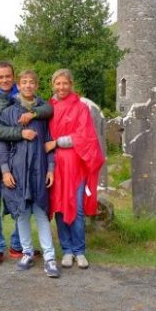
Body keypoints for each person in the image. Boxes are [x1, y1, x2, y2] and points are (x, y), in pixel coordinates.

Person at [0, 61, 53, 267]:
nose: (4, 80)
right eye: (0, 77)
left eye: (7, 76)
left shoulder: (21, 98)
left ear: (14, 78)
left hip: (17, 162)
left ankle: (17, 245)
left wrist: (35, 113)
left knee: (18, 203)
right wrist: (21, 133)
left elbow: (48, 107)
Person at [0, 70, 60, 278]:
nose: (28, 85)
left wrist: (50, 169)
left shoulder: (43, 113)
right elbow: (0, 145)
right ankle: (27, 252)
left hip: (39, 170)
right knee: (21, 214)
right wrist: (5, 171)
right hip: (16, 172)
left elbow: (49, 142)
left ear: (37, 86)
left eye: (32, 82)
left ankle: (49, 258)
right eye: (24, 82)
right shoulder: (8, 113)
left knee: (40, 213)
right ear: (18, 85)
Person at [44, 69, 104, 269]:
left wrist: (57, 142)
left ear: (71, 84)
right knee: (60, 208)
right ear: (53, 85)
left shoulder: (80, 107)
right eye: (57, 83)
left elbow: (84, 137)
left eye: (65, 83)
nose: (61, 87)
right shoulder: (49, 108)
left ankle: (79, 250)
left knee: (76, 208)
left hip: (75, 165)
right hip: (56, 165)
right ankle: (67, 250)